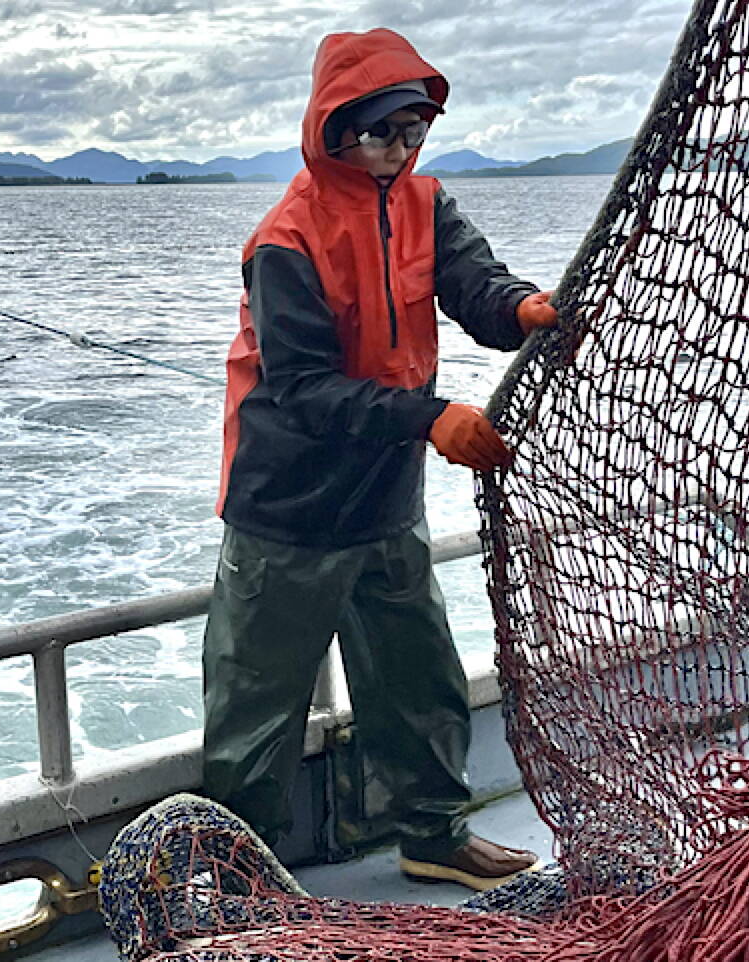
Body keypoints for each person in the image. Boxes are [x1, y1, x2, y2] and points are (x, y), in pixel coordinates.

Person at [202, 27, 560, 892]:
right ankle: (239, 877)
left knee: (419, 675)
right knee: (258, 704)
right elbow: (305, 391)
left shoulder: (426, 203)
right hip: (287, 506)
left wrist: (526, 310)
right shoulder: (285, 239)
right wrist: (433, 417)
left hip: (385, 496)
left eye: (414, 132)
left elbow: (479, 287)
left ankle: (431, 834)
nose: (399, 152)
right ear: (333, 131)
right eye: (380, 135)